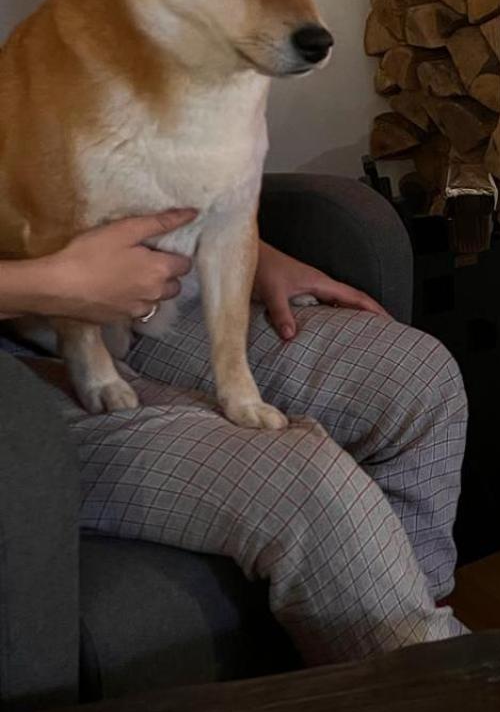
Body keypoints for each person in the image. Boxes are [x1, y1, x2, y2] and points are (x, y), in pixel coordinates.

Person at [0, 208, 466, 663]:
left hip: (146, 302)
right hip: (20, 374)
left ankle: (406, 643)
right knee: (299, 480)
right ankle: (448, 699)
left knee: (416, 377)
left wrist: (250, 252)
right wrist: (56, 285)